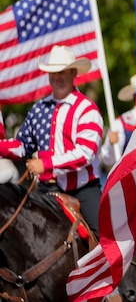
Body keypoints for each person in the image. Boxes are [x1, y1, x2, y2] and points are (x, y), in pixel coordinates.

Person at [0, 45, 103, 236]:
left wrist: (45, 164)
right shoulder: (39, 108)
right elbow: (22, 146)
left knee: (104, 241)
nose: (57, 77)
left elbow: (85, 153)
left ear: (73, 73)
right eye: (53, 72)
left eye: (62, 71)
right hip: (46, 190)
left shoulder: (87, 109)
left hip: (82, 190)